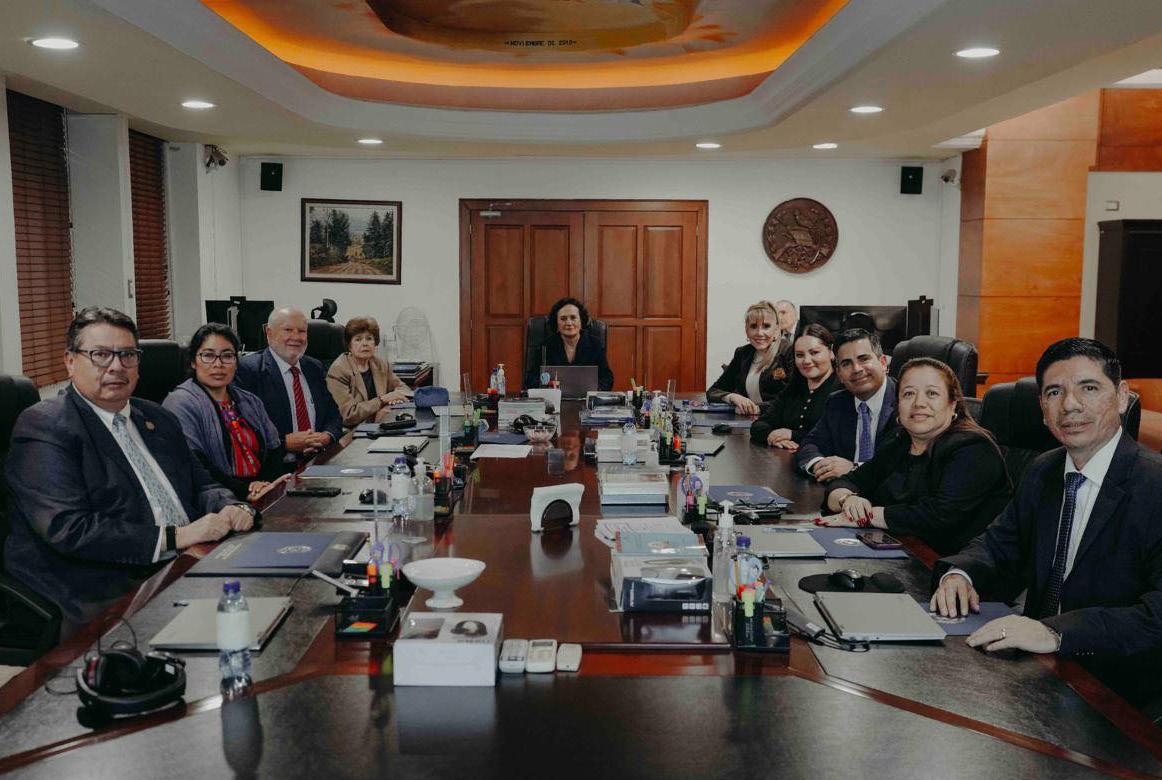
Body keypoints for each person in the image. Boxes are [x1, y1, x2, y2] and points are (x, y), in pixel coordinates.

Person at [931, 338, 1162, 711]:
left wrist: (1055, 632)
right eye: (1054, 392)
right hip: (1039, 675)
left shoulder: (1154, 485)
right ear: (1042, 408)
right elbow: (1000, 543)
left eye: (1089, 388)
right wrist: (961, 574)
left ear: (1121, 397)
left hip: (1121, 690)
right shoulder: (1044, 470)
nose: (1070, 405)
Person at [3, 307, 253, 630]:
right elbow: (70, 529)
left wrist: (231, 506)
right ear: (70, 361)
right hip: (105, 586)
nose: (116, 366)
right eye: (100, 355)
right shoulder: (46, 425)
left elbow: (202, 485)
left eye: (127, 355)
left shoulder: (158, 418)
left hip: (187, 564)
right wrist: (176, 537)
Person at [816, 357, 1010, 554]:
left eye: (932, 393)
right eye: (908, 394)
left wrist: (867, 516)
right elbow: (848, 481)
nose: (919, 403)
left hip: (951, 564)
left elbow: (939, 517)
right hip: (896, 551)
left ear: (953, 404)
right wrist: (847, 500)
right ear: (898, 404)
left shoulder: (974, 449)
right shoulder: (899, 441)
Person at [163, 324, 289, 501]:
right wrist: (246, 490)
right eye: (208, 355)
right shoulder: (180, 403)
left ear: (236, 362)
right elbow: (196, 465)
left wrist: (264, 484)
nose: (218, 364)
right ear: (193, 361)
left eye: (227, 356)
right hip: (218, 500)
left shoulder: (250, 401)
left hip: (263, 492)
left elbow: (274, 449)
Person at [236, 307, 342, 459]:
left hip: (318, 460)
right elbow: (243, 431)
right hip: (276, 465)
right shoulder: (248, 370)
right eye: (288, 330)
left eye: (302, 331)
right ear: (269, 333)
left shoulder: (314, 367)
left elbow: (333, 415)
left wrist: (327, 436)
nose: (296, 337)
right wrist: (284, 443)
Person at [795, 328, 898, 482]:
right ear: (839, 374)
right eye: (846, 363)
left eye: (864, 359)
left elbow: (903, 466)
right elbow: (810, 443)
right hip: (841, 490)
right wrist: (820, 465)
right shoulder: (837, 402)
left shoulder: (904, 402)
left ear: (883, 363)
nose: (856, 369)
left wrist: (855, 469)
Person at [749, 324, 840, 449]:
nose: (806, 361)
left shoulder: (842, 389)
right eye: (800, 355)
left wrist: (792, 435)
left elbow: (836, 439)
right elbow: (759, 425)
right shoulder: (794, 387)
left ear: (831, 352)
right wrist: (771, 435)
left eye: (814, 353)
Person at [326, 316, 411, 428]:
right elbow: (348, 415)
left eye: (369, 338)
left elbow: (404, 389)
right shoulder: (339, 370)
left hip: (382, 425)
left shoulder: (381, 364)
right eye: (358, 339)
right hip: (352, 431)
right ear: (349, 346)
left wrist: (393, 400)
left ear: (375, 343)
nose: (365, 343)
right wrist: (382, 401)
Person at [706, 301, 789, 414]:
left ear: (776, 329)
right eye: (753, 326)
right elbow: (713, 392)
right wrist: (732, 397)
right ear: (746, 330)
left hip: (780, 421)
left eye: (766, 326)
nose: (759, 333)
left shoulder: (789, 351)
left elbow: (794, 398)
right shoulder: (743, 353)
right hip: (748, 420)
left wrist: (758, 408)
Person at [523, 297, 613, 391]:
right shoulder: (545, 346)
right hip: (554, 397)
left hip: (586, 397)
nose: (569, 323)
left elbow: (607, 378)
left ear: (581, 321)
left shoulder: (595, 344)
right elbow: (531, 380)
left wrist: (595, 390)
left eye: (573, 318)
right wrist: (546, 385)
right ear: (556, 323)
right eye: (563, 319)